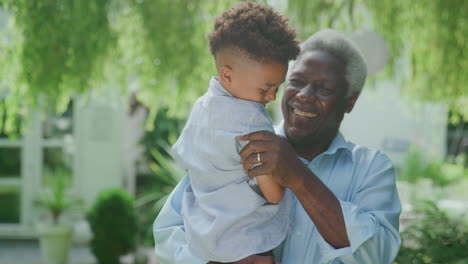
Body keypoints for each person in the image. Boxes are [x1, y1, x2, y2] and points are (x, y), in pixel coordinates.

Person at [154, 28, 401, 264]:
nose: (304, 95)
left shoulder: (371, 168)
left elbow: (376, 255)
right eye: (296, 81)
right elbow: (168, 232)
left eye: (324, 88)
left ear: (350, 101)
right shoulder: (239, 141)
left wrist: (298, 176)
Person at [165, 2, 300, 263]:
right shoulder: (253, 123)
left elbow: (184, 158)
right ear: (227, 76)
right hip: (248, 245)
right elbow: (273, 194)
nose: (272, 97)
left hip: (206, 243)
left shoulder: (201, 108)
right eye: (265, 89)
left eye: (277, 88)